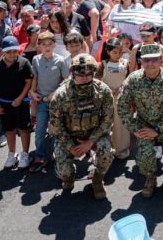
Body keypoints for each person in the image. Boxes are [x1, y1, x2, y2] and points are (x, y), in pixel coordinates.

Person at [117, 43, 163, 198]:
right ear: (141, 61)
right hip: (143, 126)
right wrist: (135, 128)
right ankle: (150, 177)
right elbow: (122, 106)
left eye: (154, 59)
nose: (150, 63)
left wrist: (157, 130)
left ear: (161, 60)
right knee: (144, 158)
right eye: (146, 60)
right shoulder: (133, 80)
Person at [49, 53, 114, 200]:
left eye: (89, 73)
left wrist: (90, 142)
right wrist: (71, 145)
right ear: (72, 73)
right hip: (69, 137)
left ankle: (97, 179)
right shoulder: (60, 95)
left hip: (94, 135)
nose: (84, 77)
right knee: (63, 171)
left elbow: (108, 119)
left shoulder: (103, 91)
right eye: (80, 73)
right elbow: (56, 125)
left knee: (106, 153)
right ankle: (68, 177)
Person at [0, 36, 34, 169]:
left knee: (24, 129)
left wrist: (20, 98)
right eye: (8, 52)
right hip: (3, 103)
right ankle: (12, 154)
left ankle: (25, 154)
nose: (12, 54)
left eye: (15, 51)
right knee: (9, 129)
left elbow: (28, 82)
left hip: (22, 102)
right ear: (3, 51)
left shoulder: (24, 62)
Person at [29, 31, 70, 172]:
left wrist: (54, 93)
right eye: (44, 44)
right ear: (39, 46)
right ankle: (39, 156)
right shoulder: (36, 60)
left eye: (50, 44)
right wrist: (33, 92)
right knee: (40, 130)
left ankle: (54, 153)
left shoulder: (60, 60)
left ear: (54, 45)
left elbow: (67, 80)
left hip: (56, 102)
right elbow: (34, 78)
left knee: (55, 129)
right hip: (41, 101)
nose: (47, 47)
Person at [96, 37, 131, 159]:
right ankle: (105, 149)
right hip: (107, 98)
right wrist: (107, 90)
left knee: (121, 125)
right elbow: (97, 81)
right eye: (114, 52)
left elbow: (129, 80)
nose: (118, 55)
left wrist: (121, 89)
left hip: (121, 98)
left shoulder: (125, 64)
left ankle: (121, 150)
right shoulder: (103, 64)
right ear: (108, 52)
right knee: (106, 124)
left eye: (120, 52)